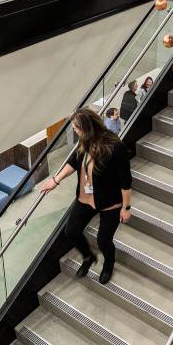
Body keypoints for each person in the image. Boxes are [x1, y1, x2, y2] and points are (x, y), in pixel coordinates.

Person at [40, 108, 132, 285]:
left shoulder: (115, 146)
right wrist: (56, 179)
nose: (74, 131)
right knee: (71, 231)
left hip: (109, 203)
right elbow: (74, 162)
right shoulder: (85, 141)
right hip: (85, 198)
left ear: (87, 128)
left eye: (76, 128)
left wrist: (126, 207)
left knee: (103, 240)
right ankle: (88, 257)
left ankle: (109, 264)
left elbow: (125, 181)